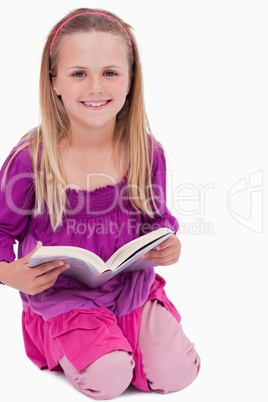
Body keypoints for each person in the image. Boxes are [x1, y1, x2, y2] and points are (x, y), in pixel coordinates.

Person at [0, 8, 200, 400]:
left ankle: (120, 336)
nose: (96, 87)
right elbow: (1, 229)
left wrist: (167, 243)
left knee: (178, 373)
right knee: (109, 379)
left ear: (129, 81)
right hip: (63, 298)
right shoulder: (33, 158)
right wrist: (10, 275)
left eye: (110, 72)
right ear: (54, 81)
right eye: (79, 73)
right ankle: (68, 341)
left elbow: (155, 218)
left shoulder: (145, 150)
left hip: (130, 289)